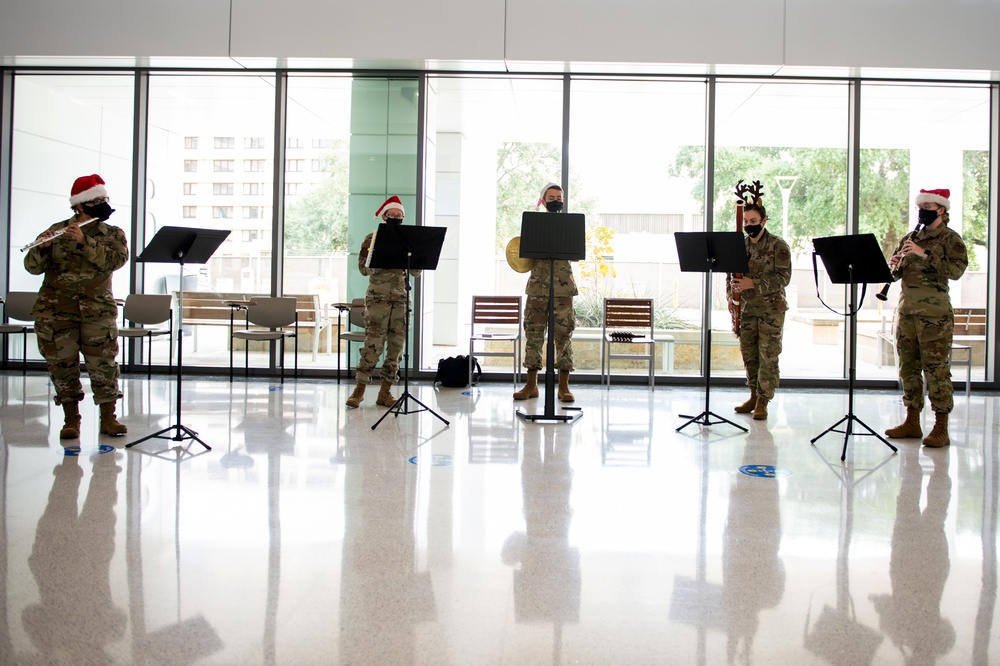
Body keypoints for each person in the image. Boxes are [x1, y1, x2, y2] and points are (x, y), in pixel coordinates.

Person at [24, 174, 129, 438]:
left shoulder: (112, 234)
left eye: (105, 199)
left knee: (104, 366)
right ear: (80, 206)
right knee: (62, 366)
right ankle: (71, 420)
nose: (104, 204)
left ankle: (108, 419)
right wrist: (42, 247)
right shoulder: (57, 230)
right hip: (56, 313)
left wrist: (85, 242)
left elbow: (115, 261)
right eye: (97, 201)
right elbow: (32, 267)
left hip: (97, 312)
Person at [884, 188, 968, 447]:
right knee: (908, 368)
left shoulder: (950, 239)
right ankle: (912, 421)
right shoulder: (911, 237)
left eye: (929, 206)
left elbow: (956, 271)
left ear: (941, 209)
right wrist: (895, 262)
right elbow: (897, 275)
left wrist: (924, 254)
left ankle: (941, 427)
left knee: (936, 371)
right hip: (907, 312)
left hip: (935, 316)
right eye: (921, 206)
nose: (923, 210)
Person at [345, 196, 421, 408]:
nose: (395, 218)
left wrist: (414, 256)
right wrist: (381, 257)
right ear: (384, 216)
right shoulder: (372, 239)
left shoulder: (408, 240)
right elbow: (363, 269)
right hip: (378, 300)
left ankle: (385, 392)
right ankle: (359, 391)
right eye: (392, 215)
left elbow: (416, 272)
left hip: (401, 300)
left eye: (399, 215)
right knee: (373, 345)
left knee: (396, 348)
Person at [727, 197, 791, 420]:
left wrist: (752, 283)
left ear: (764, 220)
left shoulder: (778, 245)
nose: (748, 224)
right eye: (745, 220)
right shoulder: (740, 245)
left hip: (771, 311)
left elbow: (784, 278)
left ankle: (764, 401)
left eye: (753, 220)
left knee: (768, 355)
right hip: (747, 309)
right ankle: (753, 394)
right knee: (750, 355)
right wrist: (731, 298)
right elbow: (731, 275)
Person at [513, 182, 579, 403]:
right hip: (538, 288)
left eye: (559, 197)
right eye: (551, 197)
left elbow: (577, 253)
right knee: (533, 335)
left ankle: (564, 388)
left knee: (564, 337)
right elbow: (522, 255)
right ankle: (531, 385)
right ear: (543, 200)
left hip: (563, 289)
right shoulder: (533, 225)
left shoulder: (571, 226)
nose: (556, 201)